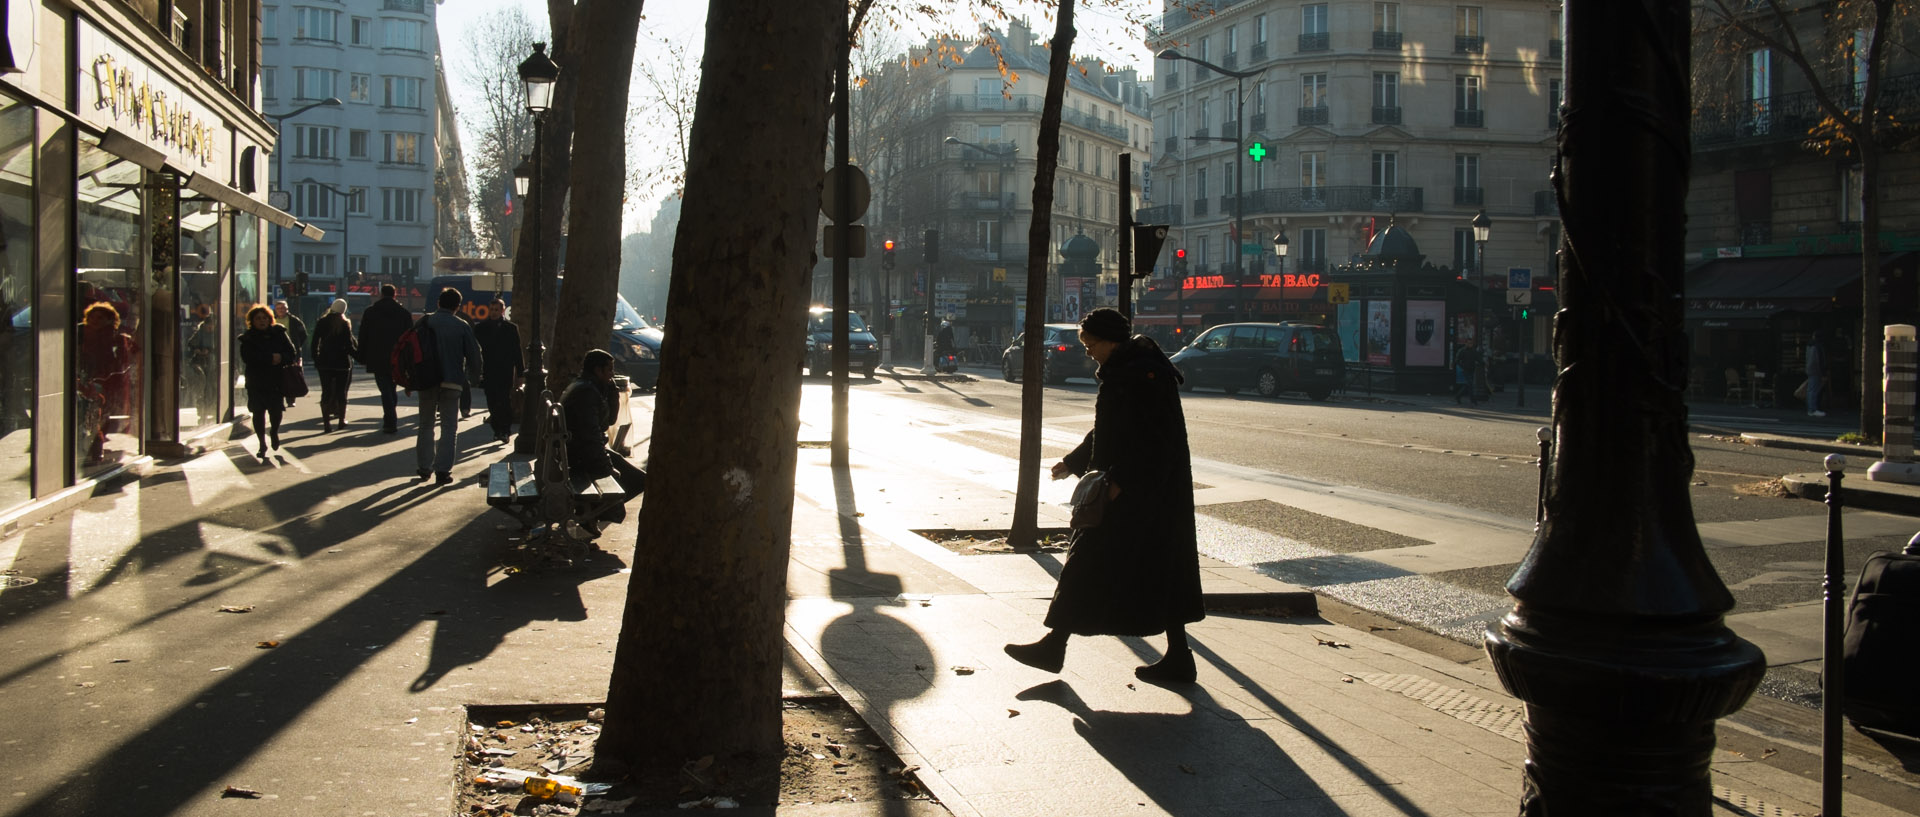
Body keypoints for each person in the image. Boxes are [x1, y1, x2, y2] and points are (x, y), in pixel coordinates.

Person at [1003, 307, 1204, 683]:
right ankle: (1177, 657)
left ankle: (1054, 645)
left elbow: (1155, 440)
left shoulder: (1142, 375)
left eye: (1090, 344)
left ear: (1111, 340)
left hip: (1140, 493)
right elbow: (1109, 430)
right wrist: (1073, 461)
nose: (1087, 351)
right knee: (1161, 572)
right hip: (1140, 491)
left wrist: (1119, 484)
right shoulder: (1127, 371)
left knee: (1087, 562)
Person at [561, 349, 647, 526]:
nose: (612, 374)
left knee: (638, 478)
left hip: (579, 451)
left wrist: (612, 390)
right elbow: (591, 437)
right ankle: (593, 512)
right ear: (597, 370)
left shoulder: (586, 386)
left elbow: (608, 421)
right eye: (609, 370)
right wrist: (607, 468)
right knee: (638, 480)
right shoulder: (587, 393)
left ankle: (593, 512)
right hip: (581, 456)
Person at [415, 287, 484, 485]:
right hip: (452, 381)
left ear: (438, 303)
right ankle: (443, 471)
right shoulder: (461, 325)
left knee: (426, 424)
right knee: (449, 427)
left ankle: (424, 467)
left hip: (427, 380)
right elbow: (474, 354)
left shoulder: (425, 321)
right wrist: (474, 377)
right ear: (457, 306)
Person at [77, 303, 136, 466]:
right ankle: (91, 445)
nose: (95, 321)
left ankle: (96, 446)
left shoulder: (115, 337)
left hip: (106, 382)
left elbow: (123, 360)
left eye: (100, 318)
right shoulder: (79, 333)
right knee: (86, 414)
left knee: (102, 415)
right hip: (84, 379)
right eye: (92, 317)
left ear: (110, 320)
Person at [238, 304, 298, 459]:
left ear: (270, 319)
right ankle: (261, 443)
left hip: (276, 380)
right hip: (256, 381)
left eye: (264, 318)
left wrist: (281, 357)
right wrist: (269, 358)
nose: (262, 321)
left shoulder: (279, 333)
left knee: (276, 411)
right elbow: (247, 357)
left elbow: (291, 353)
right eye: (258, 319)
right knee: (258, 413)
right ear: (252, 321)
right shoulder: (248, 338)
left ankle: (274, 432)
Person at [358, 284, 412, 434]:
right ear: (395, 295)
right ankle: (391, 415)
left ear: (381, 294)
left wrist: (361, 355)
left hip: (377, 356)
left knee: (385, 388)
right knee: (391, 387)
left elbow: (363, 336)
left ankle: (390, 419)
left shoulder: (370, 312)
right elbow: (409, 338)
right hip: (397, 357)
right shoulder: (404, 313)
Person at [471, 298, 525, 444]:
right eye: (492, 309)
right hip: (488, 370)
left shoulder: (511, 328)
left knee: (504, 400)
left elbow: (517, 351)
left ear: (502, 311)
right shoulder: (481, 328)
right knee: (492, 400)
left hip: (505, 370)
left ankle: (505, 430)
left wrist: (520, 373)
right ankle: (497, 429)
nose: (494, 312)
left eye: (497, 310)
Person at [310, 298, 360, 432]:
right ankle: (341, 420)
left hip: (324, 362)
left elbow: (314, 342)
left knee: (326, 392)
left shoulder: (322, 322)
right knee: (341, 392)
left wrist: (316, 358)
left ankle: (326, 424)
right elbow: (349, 346)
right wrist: (360, 357)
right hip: (342, 362)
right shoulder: (344, 323)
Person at [273, 300, 307, 408]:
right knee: (277, 376)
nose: (281, 310)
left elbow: (303, 335)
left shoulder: (294, 321)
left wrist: (297, 346)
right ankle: (278, 399)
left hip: (291, 352)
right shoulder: (272, 320)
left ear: (287, 309)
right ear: (275, 310)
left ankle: (291, 400)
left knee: (291, 375)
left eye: (283, 308)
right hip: (276, 352)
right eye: (279, 308)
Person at [1806, 330, 1827, 417]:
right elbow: (1820, 361)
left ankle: (1811, 408)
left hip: (1810, 369)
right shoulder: (1818, 346)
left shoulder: (1809, 346)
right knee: (1814, 390)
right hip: (1816, 371)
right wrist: (1823, 373)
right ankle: (1812, 409)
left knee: (1811, 390)